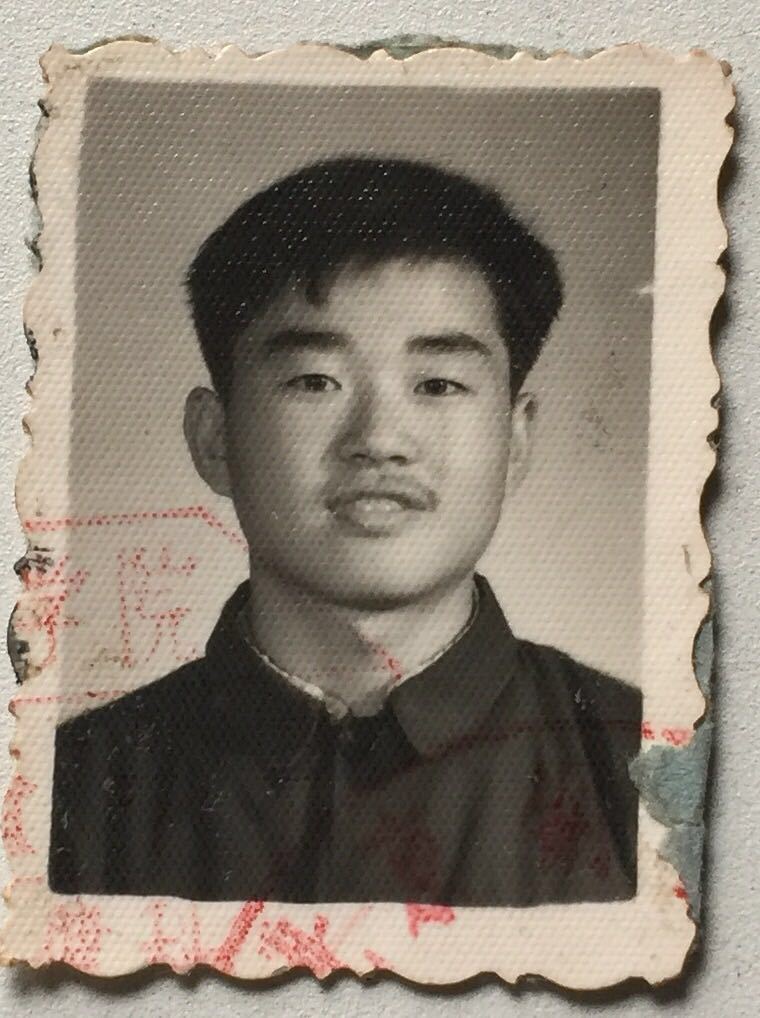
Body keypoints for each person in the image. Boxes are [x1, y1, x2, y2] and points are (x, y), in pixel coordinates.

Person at [49, 157, 642, 905]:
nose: (380, 440)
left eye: (438, 384)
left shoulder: (645, 764)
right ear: (214, 438)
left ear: (515, 440)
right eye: (314, 382)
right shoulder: (66, 790)